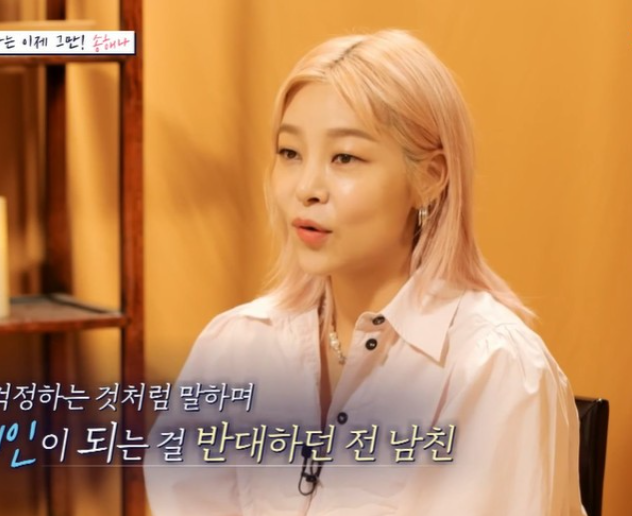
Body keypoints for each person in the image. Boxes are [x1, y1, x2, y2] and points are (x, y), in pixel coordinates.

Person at [144, 29, 586, 516]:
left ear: (430, 178)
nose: (306, 188)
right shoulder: (235, 345)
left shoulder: (494, 367)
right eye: (290, 153)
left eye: (345, 158)